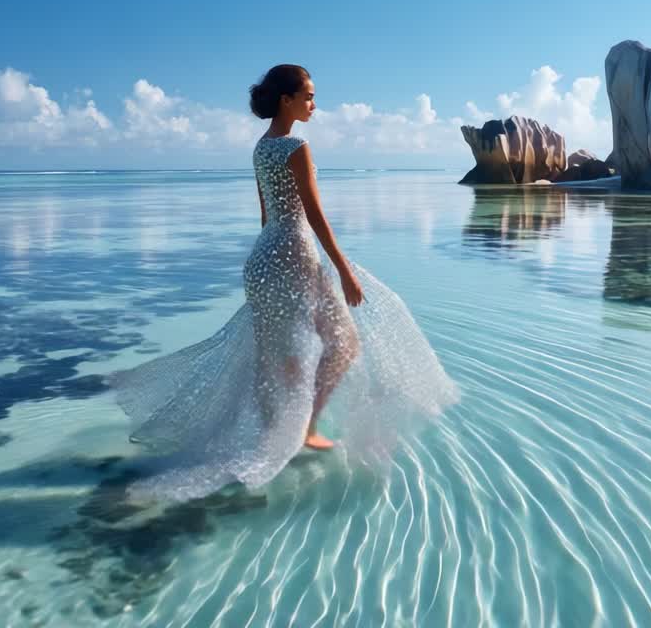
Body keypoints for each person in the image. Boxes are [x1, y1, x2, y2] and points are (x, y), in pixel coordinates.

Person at [108, 64, 457, 501]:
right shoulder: (295, 146)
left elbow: (266, 215)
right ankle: (296, 431)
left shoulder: (261, 148)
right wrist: (345, 270)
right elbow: (313, 214)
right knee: (339, 345)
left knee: (282, 354)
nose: (314, 104)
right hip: (292, 252)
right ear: (286, 100)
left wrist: (267, 260)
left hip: (265, 254)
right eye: (308, 96)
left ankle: (283, 429)